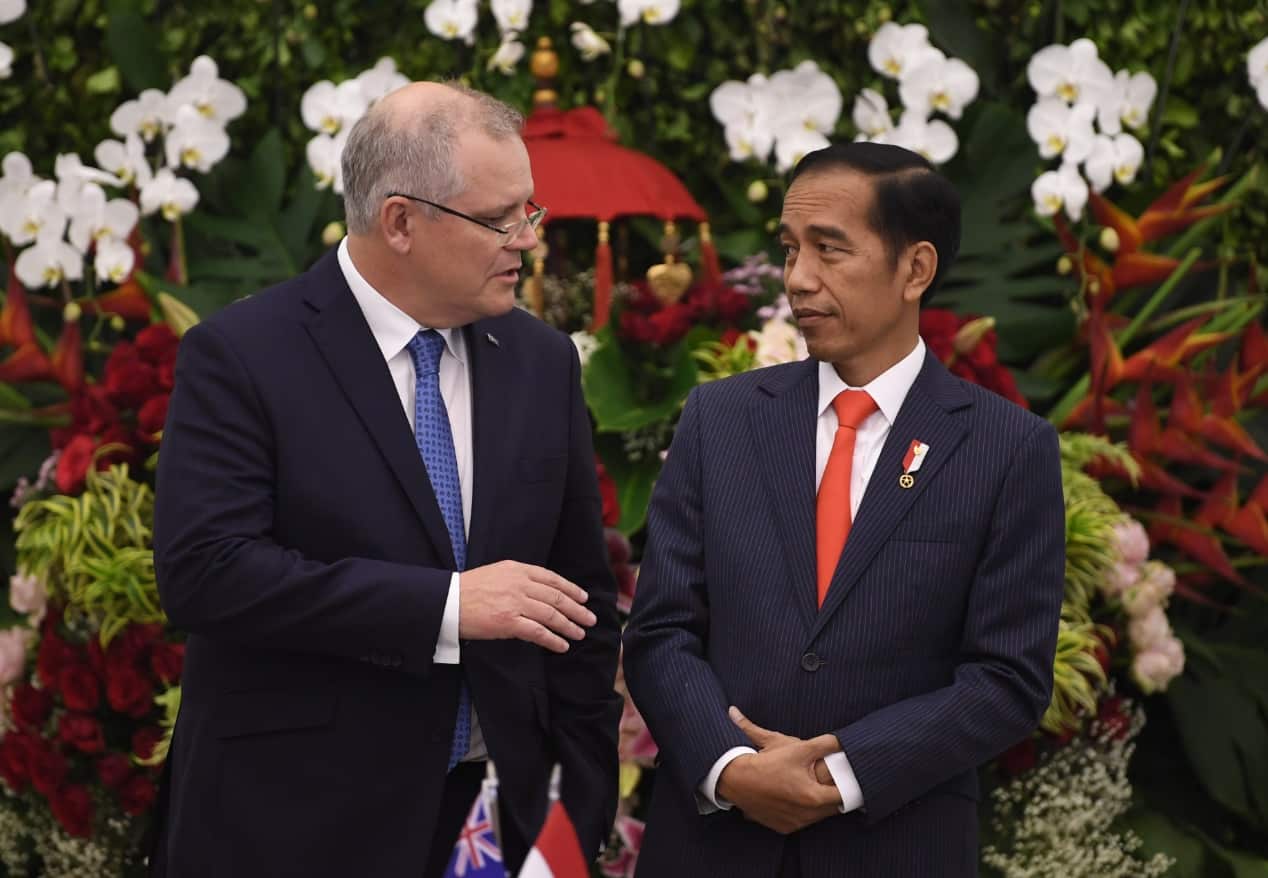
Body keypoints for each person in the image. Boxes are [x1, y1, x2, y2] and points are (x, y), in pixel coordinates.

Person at [151, 81, 621, 878]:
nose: (527, 241)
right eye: (500, 219)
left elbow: (578, 598)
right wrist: (446, 606)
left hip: (496, 824)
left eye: (529, 213)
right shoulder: (245, 355)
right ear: (400, 221)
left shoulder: (539, 361)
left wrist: (582, 800)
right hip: (291, 824)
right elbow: (206, 572)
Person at [622, 141, 1065, 877]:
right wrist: (731, 767)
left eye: (830, 251)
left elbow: (1007, 677)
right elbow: (661, 628)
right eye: (791, 249)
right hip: (710, 847)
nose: (799, 278)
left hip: (895, 845)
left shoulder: (1005, 448)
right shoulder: (720, 419)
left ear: (915, 269)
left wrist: (847, 772)